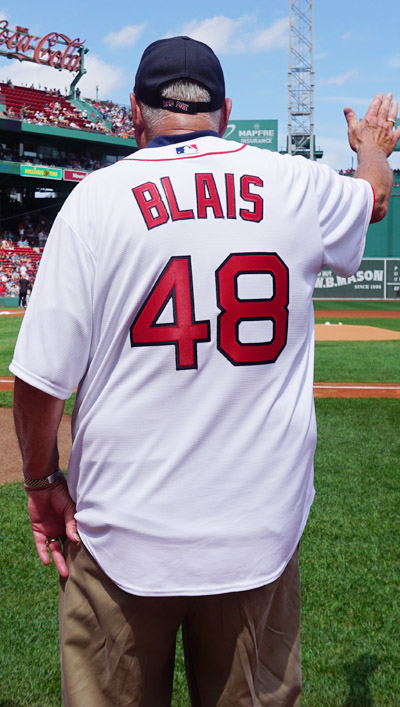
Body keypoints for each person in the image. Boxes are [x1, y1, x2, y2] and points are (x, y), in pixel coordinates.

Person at [11, 35, 400, 706]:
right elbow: (373, 196)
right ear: (225, 113)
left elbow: (41, 379)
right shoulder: (297, 183)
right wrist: (372, 148)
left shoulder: (96, 201)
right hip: (259, 537)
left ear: (134, 113)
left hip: (121, 536)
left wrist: (44, 480)